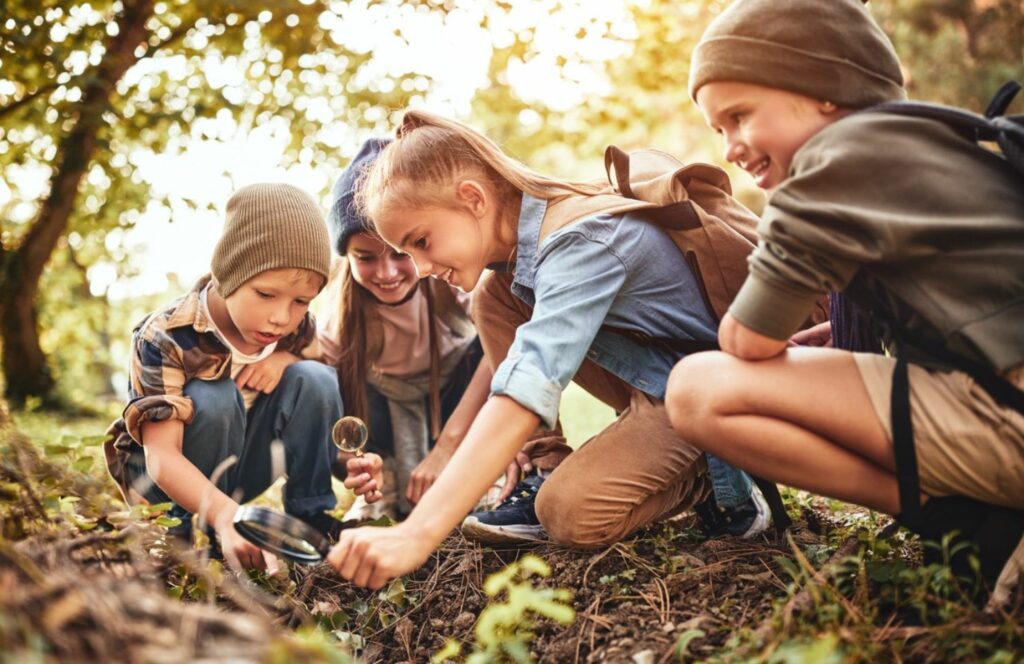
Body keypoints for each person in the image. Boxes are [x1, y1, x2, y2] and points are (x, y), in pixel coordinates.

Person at [664, 0, 1024, 597]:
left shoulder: (833, 163)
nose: (729, 147)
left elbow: (746, 339)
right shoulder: (929, 138)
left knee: (700, 388)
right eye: (718, 130)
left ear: (824, 90)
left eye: (740, 115)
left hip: (1008, 420)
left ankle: (964, 521)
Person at [324, 110, 769, 589]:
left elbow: (527, 384)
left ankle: (722, 476)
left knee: (569, 513)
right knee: (494, 298)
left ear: (472, 198)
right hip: (661, 384)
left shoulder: (581, 240)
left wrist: (417, 532)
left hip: (716, 397)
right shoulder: (510, 271)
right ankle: (546, 466)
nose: (423, 267)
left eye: (421, 242)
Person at [103, 183, 343, 573]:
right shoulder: (166, 336)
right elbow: (161, 457)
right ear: (229, 274)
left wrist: (284, 358)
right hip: (164, 485)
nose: (282, 317)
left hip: (236, 473)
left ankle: (312, 523)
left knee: (316, 378)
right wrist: (228, 515)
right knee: (214, 395)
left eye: (301, 301)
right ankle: (178, 539)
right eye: (265, 294)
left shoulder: (291, 330)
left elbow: (324, 353)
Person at [318, 137, 491, 519]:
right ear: (347, 257)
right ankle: (382, 485)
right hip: (382, 416)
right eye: (365, 258)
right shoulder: (338, 317)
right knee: (319, 378)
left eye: (401, 254)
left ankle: (481, 471)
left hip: (450, 403)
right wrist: (353, 460)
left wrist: (447, 446)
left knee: (493, 342)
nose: (387, 273)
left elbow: (508, 347)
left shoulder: (447, 276)